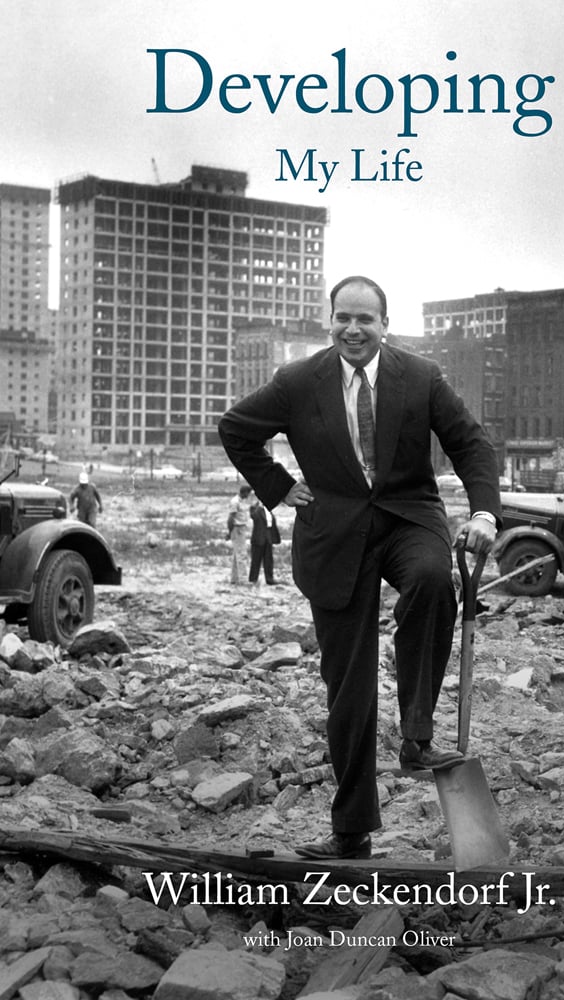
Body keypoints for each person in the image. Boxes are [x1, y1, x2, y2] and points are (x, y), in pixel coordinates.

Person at [218, 275, 501, 860]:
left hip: (407, 517)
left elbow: (472, 444)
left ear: (384, 325)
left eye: (365, 319)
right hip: (335, 532)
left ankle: (417, 737)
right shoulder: (299, 381)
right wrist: (279, 488)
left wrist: (484, 514)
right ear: (330, 322)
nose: (353, 329)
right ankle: (351, 834)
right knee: (349, 688)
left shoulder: (420, 377)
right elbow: (236, 429)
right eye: (343, 318)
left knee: (429, 579)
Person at [248, 499, 280, 585]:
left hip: (268, 536)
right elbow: (252, 515)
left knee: (269, 559)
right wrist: (254, 506)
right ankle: (253, 579)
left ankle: (269, 579)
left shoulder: (270, 512)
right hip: (258, 537)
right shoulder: (258, 510)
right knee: (256, 559)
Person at [226, 485, 253, 584]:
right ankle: (243, 579)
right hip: (237, 528)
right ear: (245, 492)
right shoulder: (235, 502)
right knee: (242, 554)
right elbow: (231, 519)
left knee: (236, 554)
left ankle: (234, 578)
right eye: (248, 494)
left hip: (241, 528)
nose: (248, 496)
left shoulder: (242, 502)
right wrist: (230, 532)